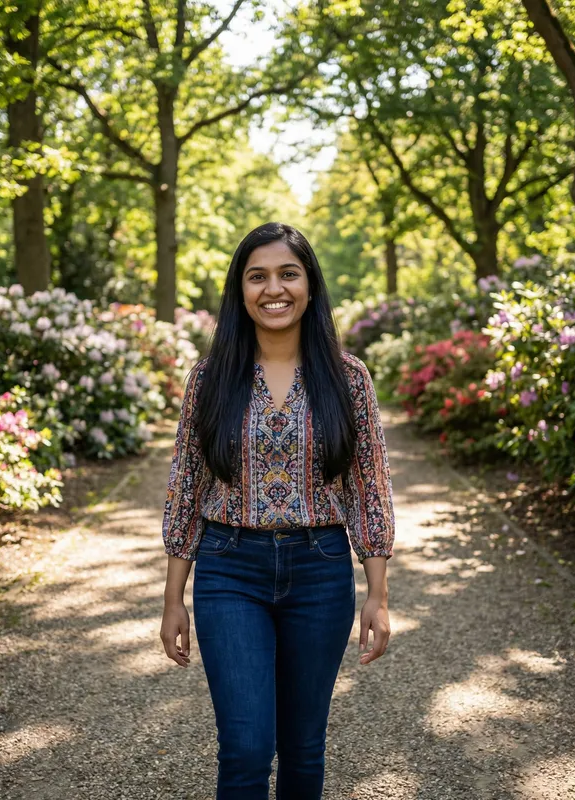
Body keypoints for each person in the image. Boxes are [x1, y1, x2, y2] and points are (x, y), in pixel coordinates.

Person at [159, 222, 395, 800]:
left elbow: (370, 483)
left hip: (320, 571)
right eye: (257, 276)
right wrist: (172, 600)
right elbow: (185, 486)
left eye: (288, 274)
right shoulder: (211, 378)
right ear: (240, 291)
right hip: (228, 568)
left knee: (303, 746)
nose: (274, 289)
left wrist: (379, 593)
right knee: (244, 747)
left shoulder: (348, 377)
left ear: (310, 285)